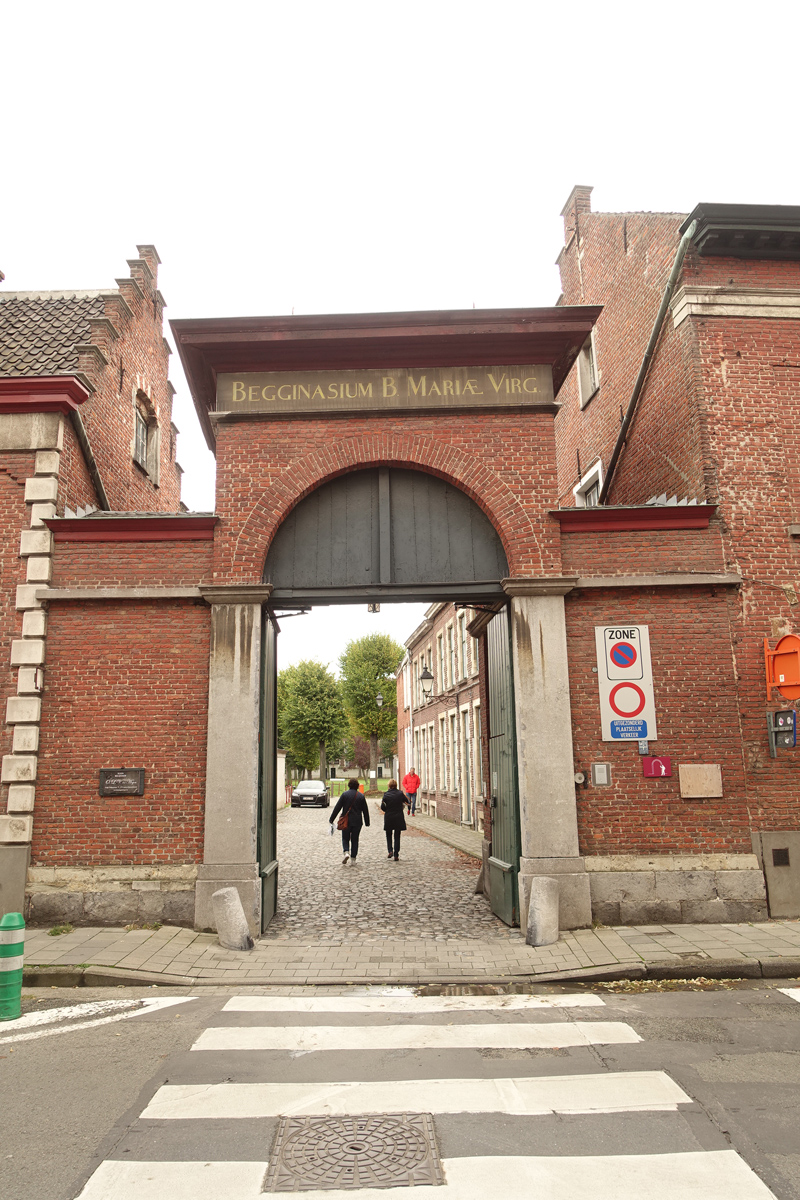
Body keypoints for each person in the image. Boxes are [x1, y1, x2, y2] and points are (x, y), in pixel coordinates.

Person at [329, 778, 370, 866]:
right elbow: (365, 810)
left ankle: (346, 852)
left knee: (345, 837)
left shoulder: (345, 795)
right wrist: (367, 822)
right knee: (355, 839)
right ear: (357, 786)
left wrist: (331, 819)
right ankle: (353, 859)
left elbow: (337, 807)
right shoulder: (361, 796)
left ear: (349, 785)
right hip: (357, 821)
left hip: (346, 820)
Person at [381, 779, 410, 861]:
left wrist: (387, 810)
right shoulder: (400, 793)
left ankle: (390, 850)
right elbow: (407, 801)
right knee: (397, 835)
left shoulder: (386, 794)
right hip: (398, 817)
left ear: (389, 786)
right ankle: (396, 854)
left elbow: (382, 806)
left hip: (389, 817)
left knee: (388, 834)